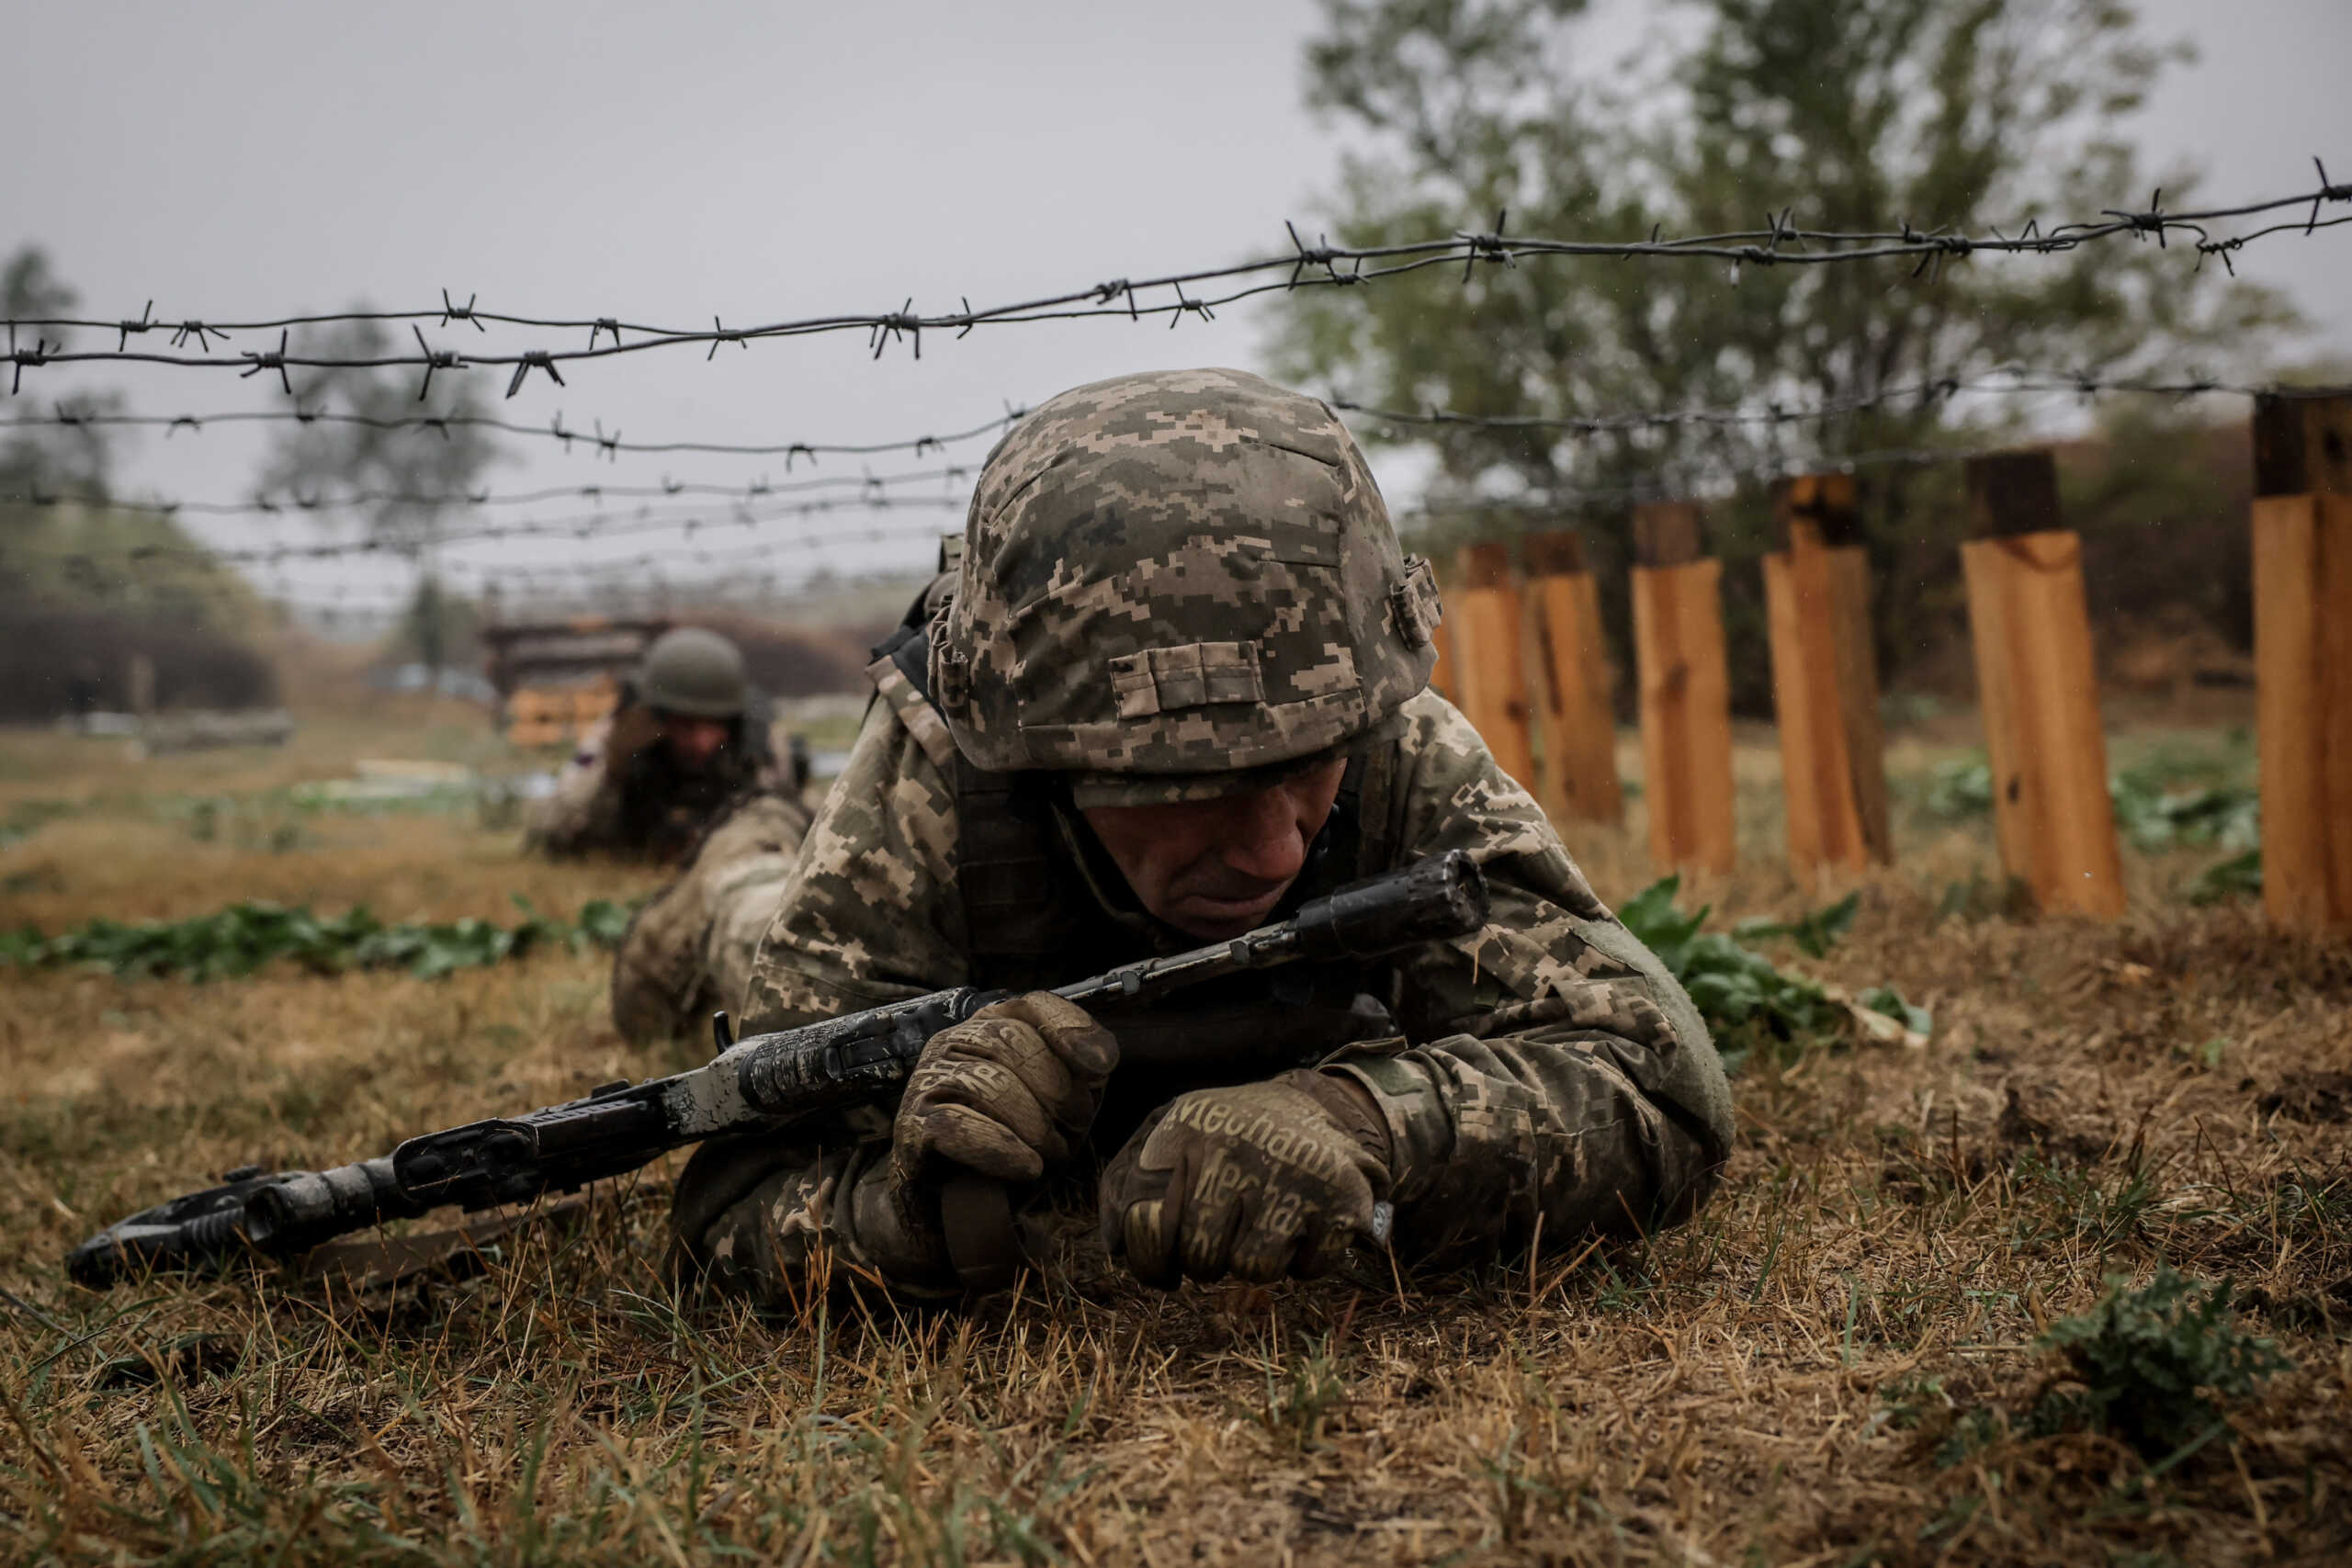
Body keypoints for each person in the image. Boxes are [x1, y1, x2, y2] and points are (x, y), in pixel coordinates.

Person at [670, 367, 1731, 1303]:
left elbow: (1658, 1081)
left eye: (1307, 767)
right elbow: (736, 1202)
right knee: (745, 902)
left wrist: (1374, 1125)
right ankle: (735, 856)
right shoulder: (934, 786)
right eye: (1189, 785)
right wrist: (916, 1211)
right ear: (1037, 754)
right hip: (796, 905)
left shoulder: (1382, 727)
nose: (1273, 850)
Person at [525, 626, 802, 863]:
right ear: (656, 718)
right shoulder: (618, 736)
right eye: (687, 725)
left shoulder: (759, 744)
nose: (702, 743)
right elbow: (552, 827)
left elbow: (788, 822)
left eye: (713, 725)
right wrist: (613, 767)